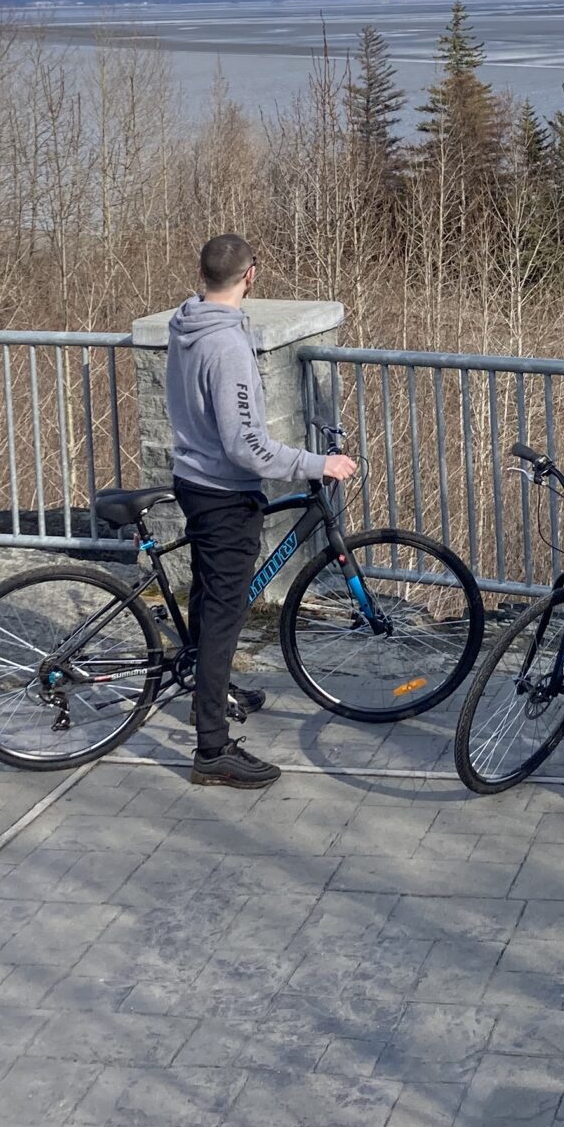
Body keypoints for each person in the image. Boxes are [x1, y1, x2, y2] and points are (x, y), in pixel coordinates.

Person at [163, 232, 357, 788]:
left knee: (207, 595)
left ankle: (211, 691)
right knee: (225, 613)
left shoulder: (189, 323)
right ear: (252, 275)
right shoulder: (225, 346)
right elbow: (246, 445)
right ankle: (212, 750)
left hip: (194, 480)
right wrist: (319, 465)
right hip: (224, 492)